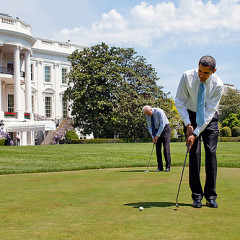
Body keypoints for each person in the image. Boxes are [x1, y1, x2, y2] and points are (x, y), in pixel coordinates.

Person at [175, 56, 224, 208]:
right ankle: (196, 196)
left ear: (213, 71)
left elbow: (209, 112)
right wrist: (188, 123)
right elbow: (180, 101)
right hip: (190, 114)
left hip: (209, 119)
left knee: (210, 153)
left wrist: (196, 132)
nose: (201, 75)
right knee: (194, 153)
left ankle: (211, 196)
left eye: (206, 73)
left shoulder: (218, 85)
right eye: (200, 71)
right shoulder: (187, 76)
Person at [142, 105, 171, 172]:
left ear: (151, 110)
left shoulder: (159, 112)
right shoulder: (147, 115)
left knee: (166, 148)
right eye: (146, 114)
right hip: (155, 130)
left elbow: (162, 124)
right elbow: (149, 126)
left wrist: (157, 135)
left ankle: (168, 167)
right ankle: (160, 167)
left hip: (165, 129)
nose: (147, 115)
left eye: (148, 113)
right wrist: (153, 136)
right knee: (158, 149)